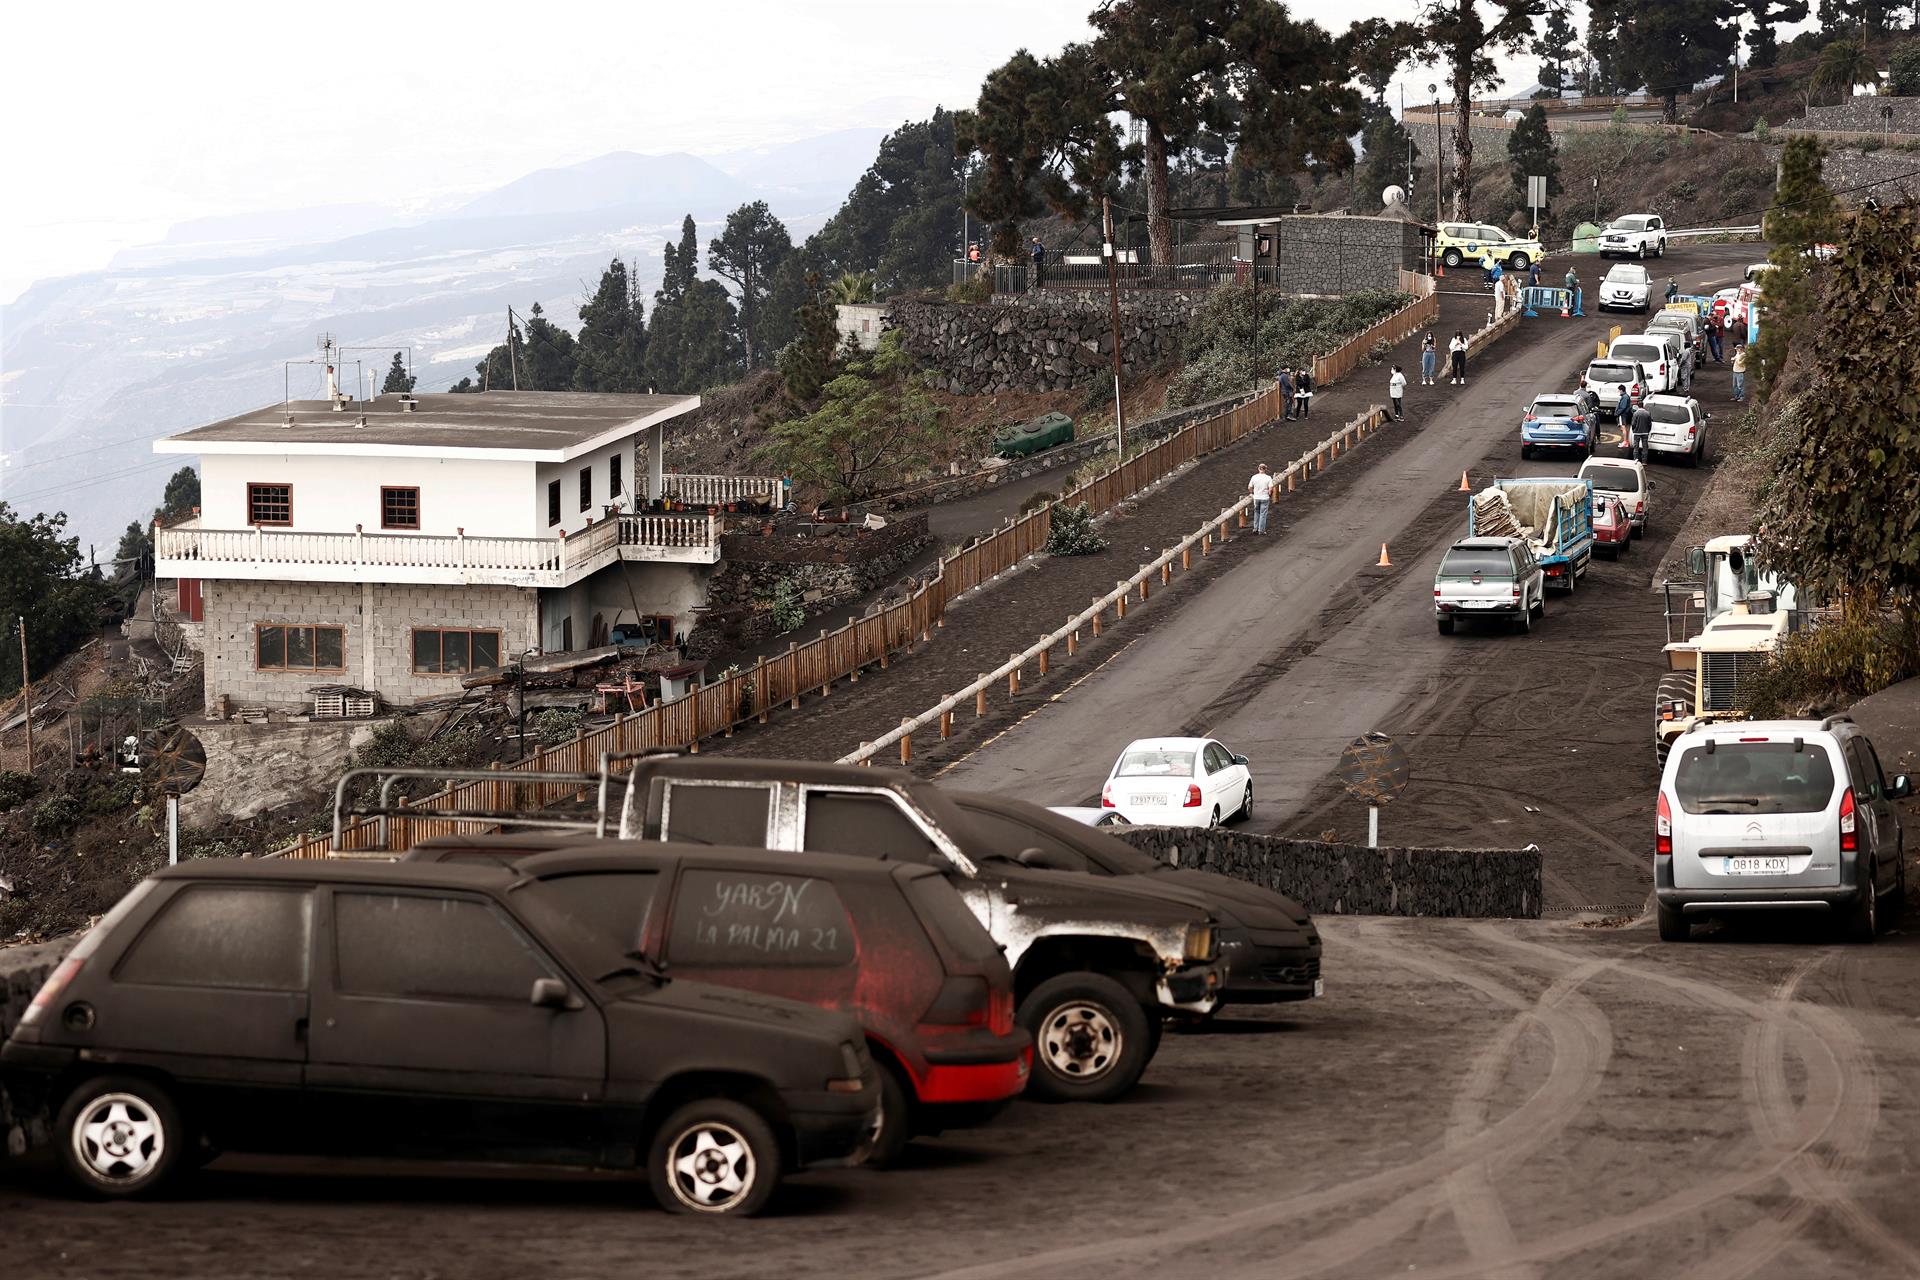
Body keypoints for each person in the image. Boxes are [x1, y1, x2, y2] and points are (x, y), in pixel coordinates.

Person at [1247, 463, 1276, 534]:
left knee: (1256, 512)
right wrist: (1269, 495)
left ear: (1258, 469)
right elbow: (1270, 489)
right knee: (1263, 514)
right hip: (1264, 497)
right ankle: (1261, 530)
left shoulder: (1254, 477)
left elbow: (1249, 487)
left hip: (1256, 497)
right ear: (1265, 469)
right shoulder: (1268, 478)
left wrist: (1252, 493)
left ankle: (1255, 528)